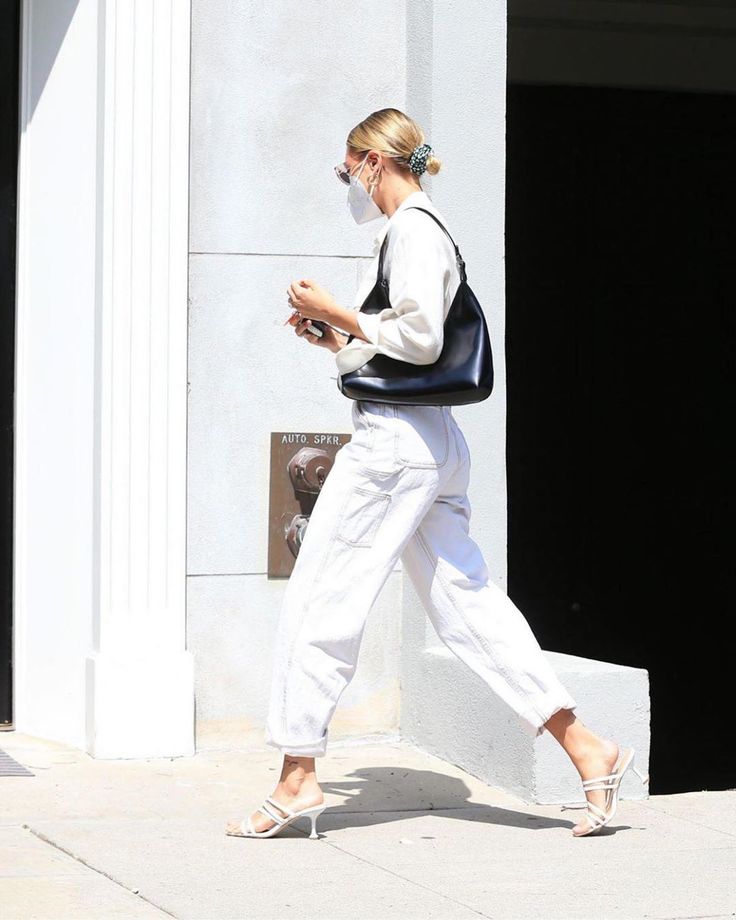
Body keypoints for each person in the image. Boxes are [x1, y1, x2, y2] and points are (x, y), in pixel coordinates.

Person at [225, 108, 647, 841]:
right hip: (426, 444)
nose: (345, 183)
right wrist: (335, 335)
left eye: (344, 169)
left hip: (394, 450)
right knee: (468, 608)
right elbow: (401, 349)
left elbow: (418, 339)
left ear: (372, 163)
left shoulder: (416, 229)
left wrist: (336, 309)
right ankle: (587, 748)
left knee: (323, 597)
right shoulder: (411, 231)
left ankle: (296, 778)